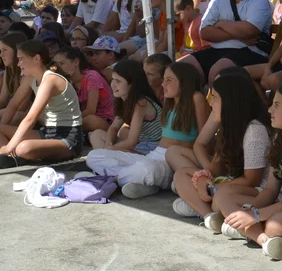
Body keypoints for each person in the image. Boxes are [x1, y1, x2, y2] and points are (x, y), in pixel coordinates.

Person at [213, 80, 282, 261]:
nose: (270, 110)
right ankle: (265, 241)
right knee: (223, 196)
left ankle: (247, 230)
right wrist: (250, 210)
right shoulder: (280, 140)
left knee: (275, 224)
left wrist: (255, 215)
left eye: (277, 105)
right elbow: (271, 190)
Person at [87, 61, 209, 198]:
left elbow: (204, 139)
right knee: (94, 156)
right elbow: (114, 128)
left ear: (184, 82)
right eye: (163, 79)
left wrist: (205, 164)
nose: (163, 84)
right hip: (153, 155)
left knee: (145, 169)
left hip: (174, 161)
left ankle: (107, 179)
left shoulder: (196, 98)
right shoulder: (169, 101)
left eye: (169, 80)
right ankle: (142, 183)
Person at [170, 70, 270, 222]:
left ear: (230, 102)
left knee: (218, 197)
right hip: (231, 182)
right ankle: (209, 216)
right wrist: (204, 178)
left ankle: (201, 204)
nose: (210, 103)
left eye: (215, 98)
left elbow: (251, 181)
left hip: (254, 192)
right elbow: (216, 162)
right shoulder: (229, 125)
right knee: (181, 175)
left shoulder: (254, 130)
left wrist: (212, 188)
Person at [0, 40, 84, 168]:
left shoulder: (50, 79)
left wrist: (7, 147)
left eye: (21, 59)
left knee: (23, 148)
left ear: (37, 59)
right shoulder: (30, 78)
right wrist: (3, 130)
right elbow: (13, 105)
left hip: (67, 137)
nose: (19, 64)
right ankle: (12, 157)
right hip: (47, 132)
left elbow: (31, 118)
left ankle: (12, 155)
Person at [185, 0, 273, 83]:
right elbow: (204, 32)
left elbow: (249, 31)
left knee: (218, 71)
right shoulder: (218, 1)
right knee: (183, 68)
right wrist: (238, 34)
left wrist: (221, 23)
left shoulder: (259, 1)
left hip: (250, 52)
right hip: (217, 50)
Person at [86, 59, 163, 155]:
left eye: (118, 81)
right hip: (140, 145)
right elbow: (114, 127)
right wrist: (108, 144)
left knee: (100, 154)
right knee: (96, 134)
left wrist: (110, 149)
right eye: (113, 79)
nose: (113, 85)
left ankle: (106, 159)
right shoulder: (124, 100)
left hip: (151, 149)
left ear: (132, 84)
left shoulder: (141, 103)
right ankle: (106, 159)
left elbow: (131, 142)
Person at [55, 47, 114, 133]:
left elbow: (91, 110)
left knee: (90, 120)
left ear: (76, 62)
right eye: (56, 64)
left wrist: (67, 120)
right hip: (81, 119)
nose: (58, 68)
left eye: (62, 63)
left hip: (104, 120)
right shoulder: (66, 82)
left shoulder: (92, 77)